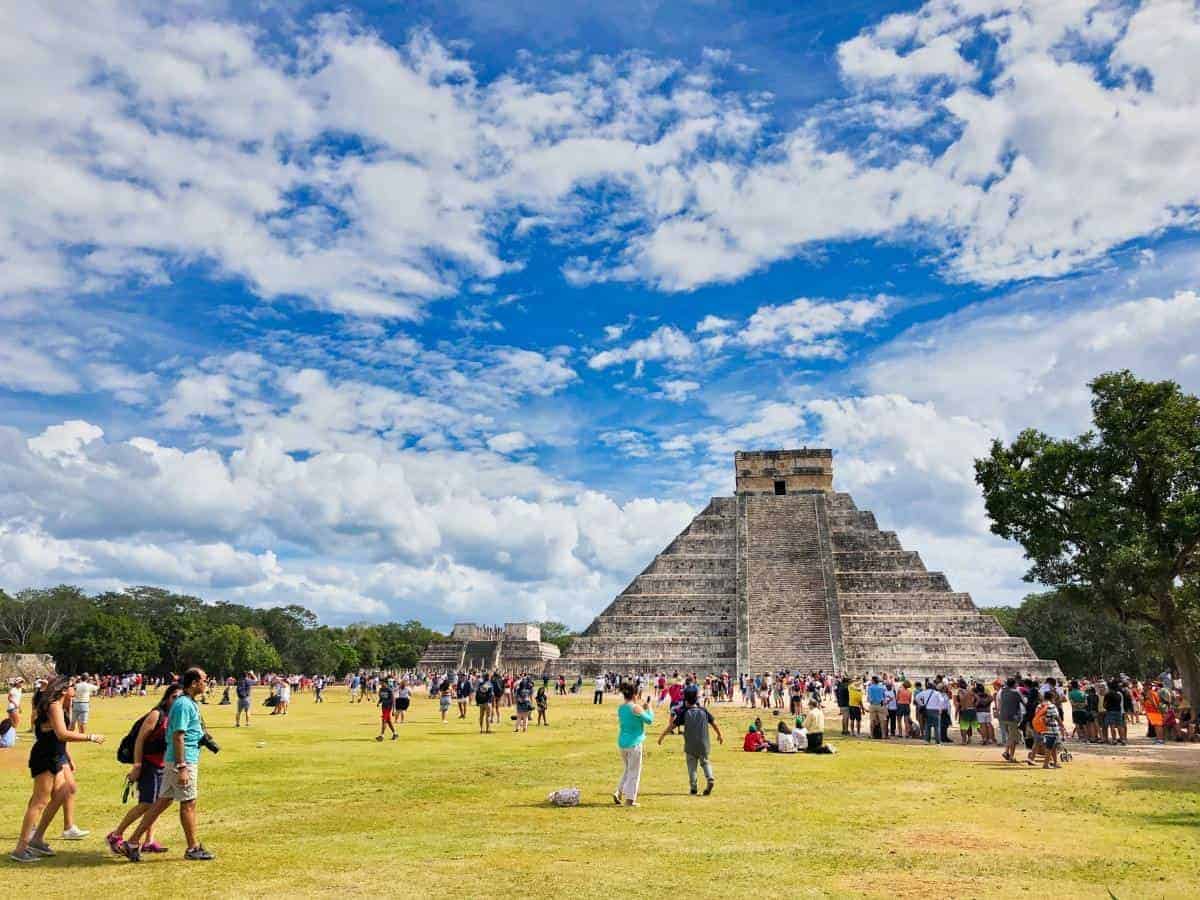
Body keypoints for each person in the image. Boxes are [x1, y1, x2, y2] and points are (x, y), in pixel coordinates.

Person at [10, 677, 106, 863]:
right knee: (39, 802)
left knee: (64, 792)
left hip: (55, 755)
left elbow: (58, 737)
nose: (75, 688)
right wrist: (91, 737)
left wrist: (68, 757)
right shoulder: (54, 705)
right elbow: (62, 733)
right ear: (63, 690)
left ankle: (37, 839)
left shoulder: (62, 704)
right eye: (71, 686)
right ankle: (20, 849)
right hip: (46, 757)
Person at [122, 667, 213, 862]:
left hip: (180, 759)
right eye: (205, 679)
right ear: (195, 683)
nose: (207, 682)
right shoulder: (183, 704)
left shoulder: (187, 702)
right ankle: (193, 848)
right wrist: (182, 767)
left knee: (162, 802)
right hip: (182, 760)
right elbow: (178, 736)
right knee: (188, 803)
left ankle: (132, 842)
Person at [107, 683, 183, 855]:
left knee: (157, 804)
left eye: (180, 697)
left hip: (164, 765)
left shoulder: (177, 716)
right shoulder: (157, 714)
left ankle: (149, 841)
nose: (177, 700)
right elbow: (140, 740)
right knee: (147, 803)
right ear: (167, 698)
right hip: (149, 764)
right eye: (174, 697)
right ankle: (116, 834)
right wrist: (137, 766)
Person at [657, 685, 722, 794]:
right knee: (705, 762)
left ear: (685, 700)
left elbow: (671, 726)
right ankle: (710, 778)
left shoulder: (684, 713)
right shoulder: (703, 711)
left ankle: (693, 787)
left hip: (690, 745)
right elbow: (714, 723)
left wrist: (662, 736)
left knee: (692, 766)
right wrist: (719, 735)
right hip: (703, 744)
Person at [614, 681, 653, 807]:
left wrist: (642, 709)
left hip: (622, 742)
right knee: (634, 772)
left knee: (627, 769)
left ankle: (619, 791)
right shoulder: (636, 707)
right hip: (634, 742)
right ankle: (630, 799)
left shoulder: (621, 708)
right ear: (635, 694)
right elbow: (649, 720)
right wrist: (649, 708)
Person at [866, 675, 888, 740]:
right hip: (880, 704)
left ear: (873, 680)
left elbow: (869, 697)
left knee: (872, 720)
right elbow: (885, 696)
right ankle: (883, 735)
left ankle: (871, 734)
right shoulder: (882, 687)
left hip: (873, 704)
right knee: (882, 721)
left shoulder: (870, 687)